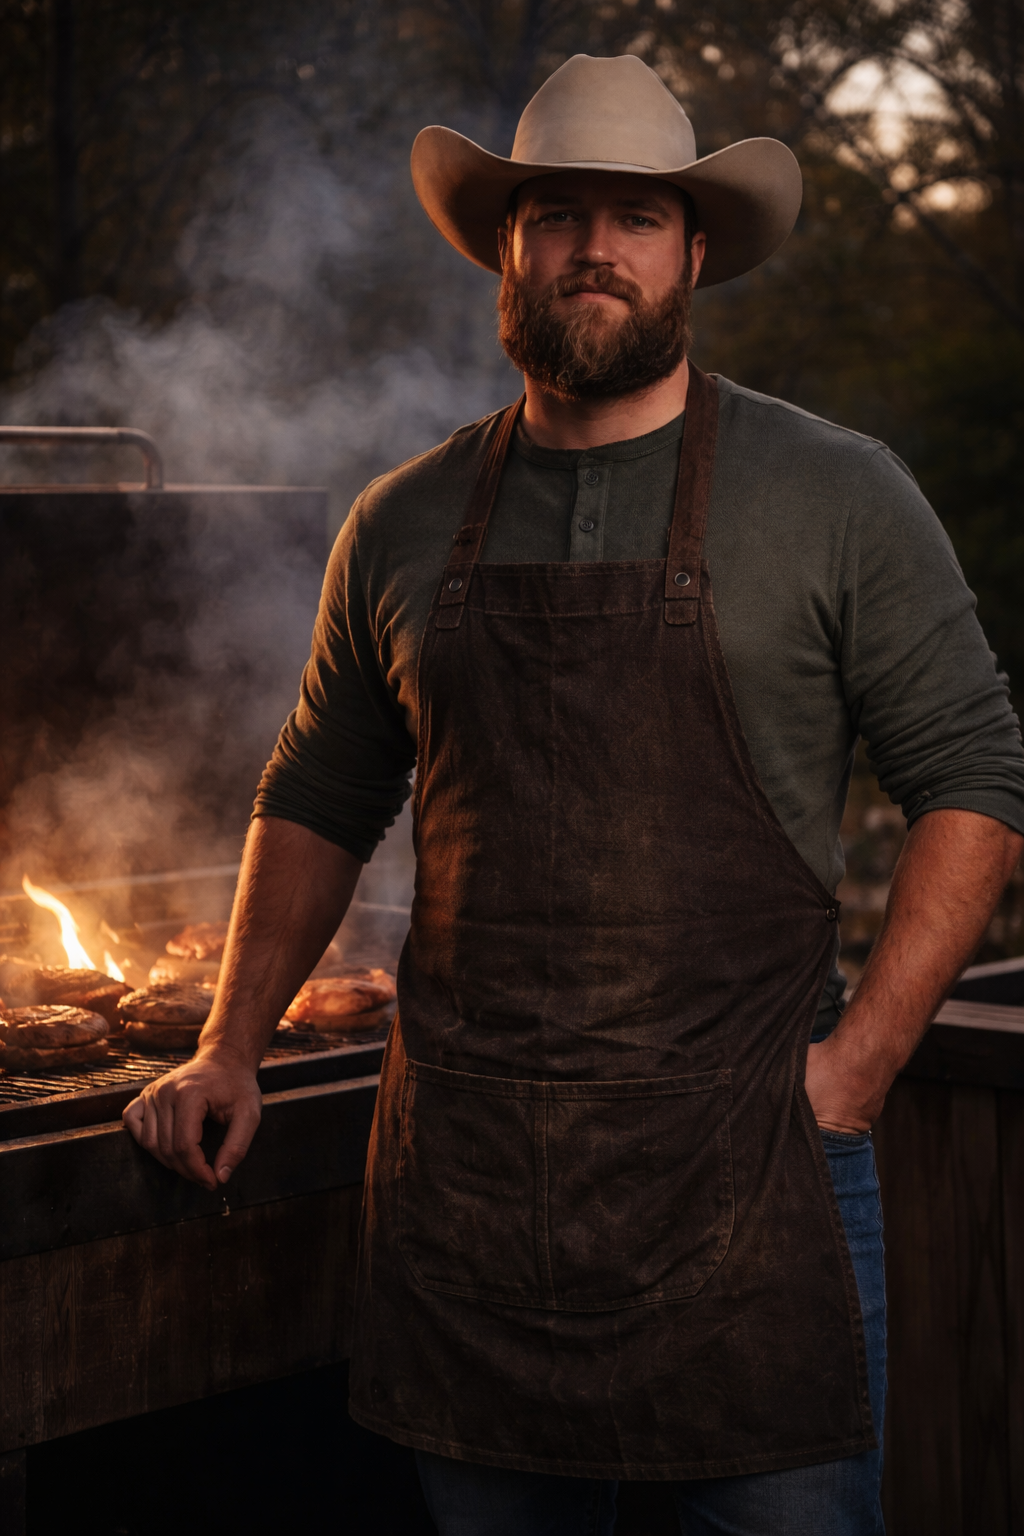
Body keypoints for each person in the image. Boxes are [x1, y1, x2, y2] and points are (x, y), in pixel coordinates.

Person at [125, 53, 1024, 1536]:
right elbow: (317, 797)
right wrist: (228, 1046)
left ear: (695, 253)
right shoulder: (402, 522)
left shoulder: (838, 493)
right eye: (555, 216)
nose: (592, 248)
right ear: (506, 249)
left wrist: (856, 1070)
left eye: (636, 218)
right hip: (467, 1205)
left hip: (749, 1189)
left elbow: (976, 776)